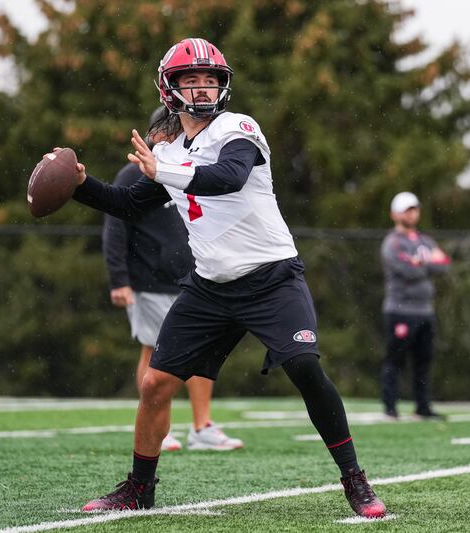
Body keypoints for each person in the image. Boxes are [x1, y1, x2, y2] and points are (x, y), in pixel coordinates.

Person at [65, 37, 386, 518]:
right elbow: (128, 205)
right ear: (168, 89)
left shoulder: (239, 128)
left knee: (303, 366)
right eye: (190, 80)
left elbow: (228, 177)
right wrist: (79, 185)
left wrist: (164, 172)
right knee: (155, 383)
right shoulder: (167, 149)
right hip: (210, 286)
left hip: (271, 276)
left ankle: (354, 479)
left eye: (210, 80)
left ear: (224, 86)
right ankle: (138, 488)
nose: (202, 88)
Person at [102, 106, 243, 452]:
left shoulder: (188, 170)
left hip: (193, 278)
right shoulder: (131, 175)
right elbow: (114, 229)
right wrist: (119, 279)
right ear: (157, 135)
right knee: (154, 349)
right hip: (149, 280)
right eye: (173, 131)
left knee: (200, 349)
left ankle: (202, 427)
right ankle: (157, 429)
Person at [380, 192, 449, 420]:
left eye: (414, 209)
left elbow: (444, 264)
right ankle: (390, 407)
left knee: (423, 361)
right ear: (395, 214)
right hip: (400, 310)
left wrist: (421, 262)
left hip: (425, 311)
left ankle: (423, 407)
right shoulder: (392, 243)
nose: (412, 213)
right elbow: (408, 270)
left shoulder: (425, 241)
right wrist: (426, 262)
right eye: (407, 209)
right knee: (395, 359)